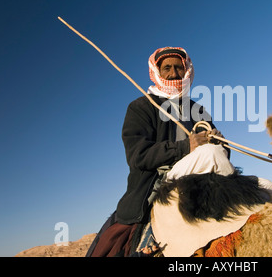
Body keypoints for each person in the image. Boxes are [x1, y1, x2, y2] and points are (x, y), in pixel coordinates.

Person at [86, 47, 227, 257]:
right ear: (157, 72)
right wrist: (186, 147)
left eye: (179, 67)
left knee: (259, 184)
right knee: (210, 155)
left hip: (201, 175)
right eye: (167, 68)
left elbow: (220, 156)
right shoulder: (141, 107)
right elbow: (138, 155)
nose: (173, 73)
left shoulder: (199, 111)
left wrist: (220, 143)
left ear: (187, 70)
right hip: (158, 183)